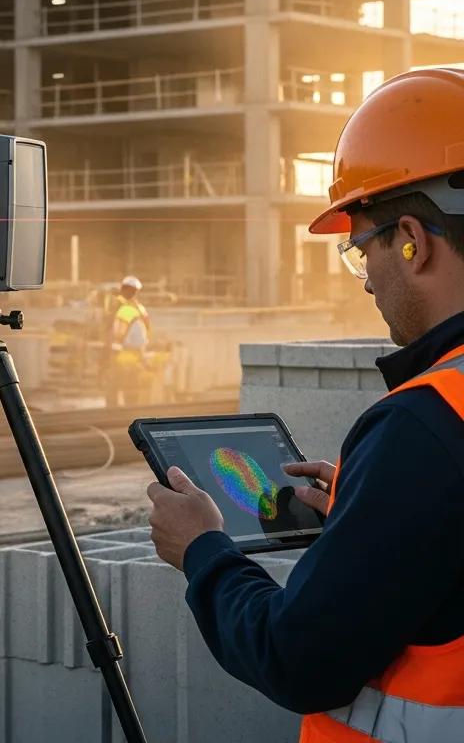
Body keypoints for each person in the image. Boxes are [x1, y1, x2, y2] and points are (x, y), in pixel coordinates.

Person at [145, 67, 464, 742]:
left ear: (412, 238)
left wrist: (202, 551)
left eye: (362, 250)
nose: (367, 282)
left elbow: (297, 660)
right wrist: (372, 509)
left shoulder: (424, 424)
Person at [105, 274, 151, 407]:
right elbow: (147, 329)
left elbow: (117, 333)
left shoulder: (124, 309)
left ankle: (114, 410)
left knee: (116, 383)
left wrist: (110, 350)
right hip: (137, 352)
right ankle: (130, 409)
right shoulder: (140, 308)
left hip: (124, 353)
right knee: (131, 386)